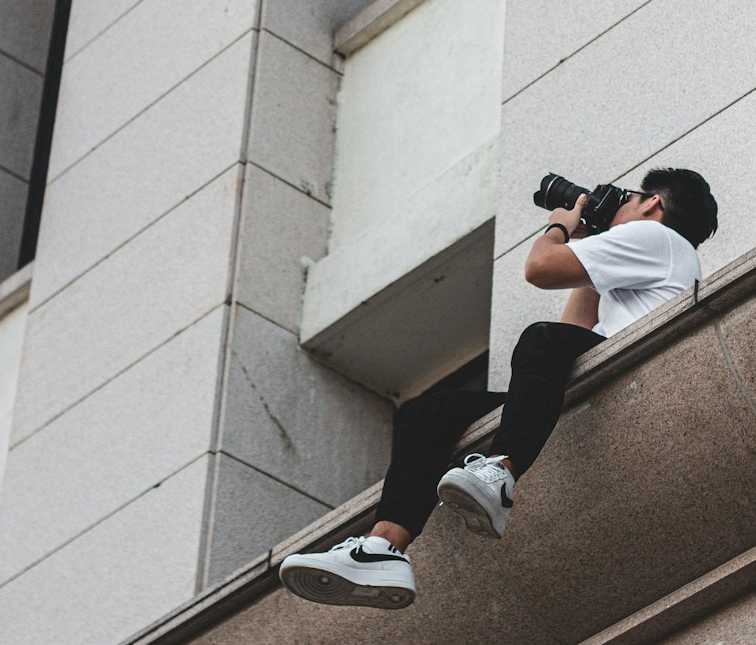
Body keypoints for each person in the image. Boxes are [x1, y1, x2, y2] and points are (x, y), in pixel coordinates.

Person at [279, 166, 718, 609]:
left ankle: (501, 472)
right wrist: (588, 246)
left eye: (629, 196)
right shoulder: (653, 256)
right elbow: (574, 335)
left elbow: (540, 269)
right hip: (603, 375)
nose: (619, 202)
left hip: (635, 376)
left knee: (539, 337)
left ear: (652, 203)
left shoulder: (660, 239)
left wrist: (558, 229)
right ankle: (382, 547)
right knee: (428, 414)